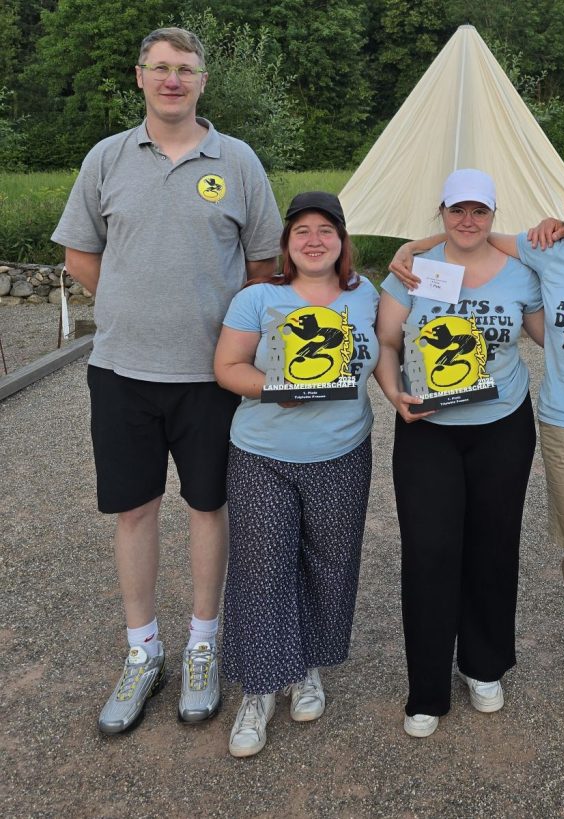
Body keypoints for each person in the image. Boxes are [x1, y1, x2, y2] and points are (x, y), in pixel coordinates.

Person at [50, 27, 282, 735]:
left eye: (185, 68)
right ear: (141, 77)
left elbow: (263, 266)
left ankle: (203, 645)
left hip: (210, 378)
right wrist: (133, 304)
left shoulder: (238, 161)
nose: (173, 79)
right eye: (161, 68)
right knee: (135, 511)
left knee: (210, 506)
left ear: (202, 81)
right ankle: (143, 651)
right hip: (121, 372)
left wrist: (216, 331)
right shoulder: (108, 158)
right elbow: (80, 254)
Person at [392, 163, 564, 729]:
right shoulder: (448, 267)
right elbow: (395, 327)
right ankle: (431, 685)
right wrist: (413, 245)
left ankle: (528, 663)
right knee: (443, 552)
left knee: (514, 548)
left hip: (552, 421)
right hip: (466, 423)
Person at [377, 169, 544, 738]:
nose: (467, 221)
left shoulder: (521, 274)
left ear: (494, 216)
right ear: (442, 213)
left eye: (479, 211)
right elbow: (388, 341)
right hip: (428, 427)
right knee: (429, 551)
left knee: (493, 545)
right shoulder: (415, 271)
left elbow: (553, 335)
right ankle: (426, 687)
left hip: (502, 423)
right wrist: (392, 392)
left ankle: (483, 664)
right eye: (457, 211)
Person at [213, 192, 378, 757]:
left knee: (328, 564)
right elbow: (227, 368)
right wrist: (275, 389)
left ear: (342, 241)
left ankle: (306, 666)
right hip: (263, 454)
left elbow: (384, 356)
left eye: (326, 230)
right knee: (262, 567)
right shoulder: (259, 297)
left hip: (343, 452)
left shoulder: (366, 295)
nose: (314, 240)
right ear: (286, 244)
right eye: (301, 230)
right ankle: (258, 690)